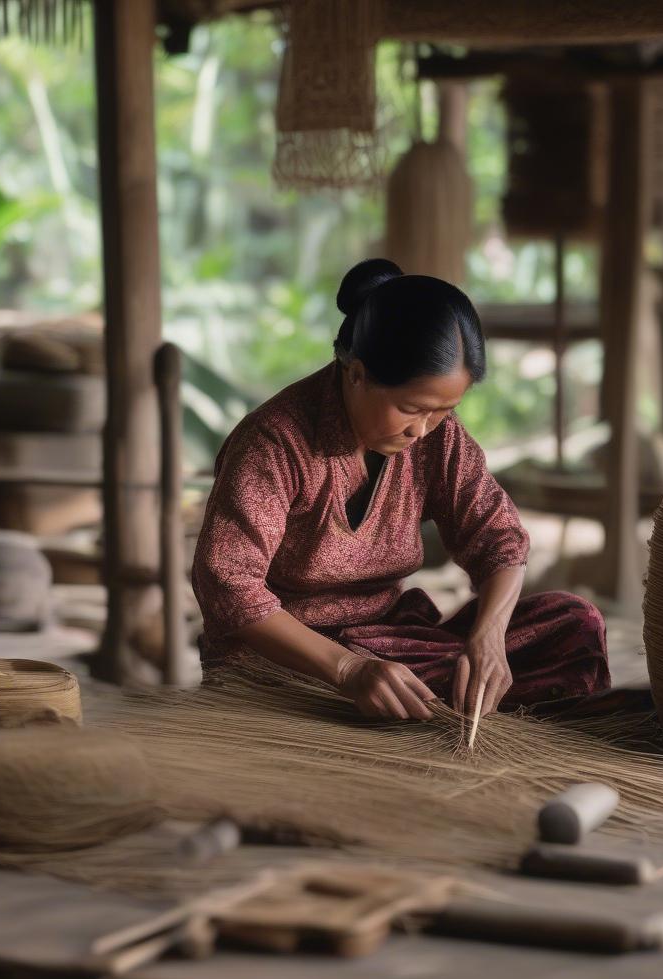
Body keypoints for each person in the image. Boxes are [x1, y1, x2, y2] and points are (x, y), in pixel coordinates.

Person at [192, 259, 610, 721]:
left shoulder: (439, 438)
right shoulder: (274, 442)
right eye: (411, 408)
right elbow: (229, 586)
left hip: (392, 644)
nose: (424, 429)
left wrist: (488, 638)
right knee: (415, 681)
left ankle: (443, 699)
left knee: (573, 624)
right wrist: (350, 670)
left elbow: (499, 541)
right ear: (356, 374)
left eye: (443, 412)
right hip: (292, 659)